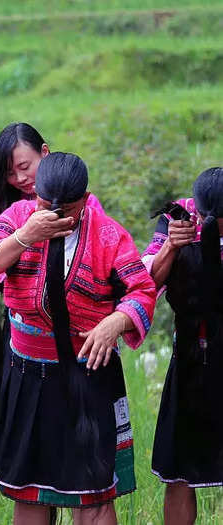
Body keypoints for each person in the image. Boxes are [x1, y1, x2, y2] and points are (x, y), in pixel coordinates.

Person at [0, 152, 156, 524]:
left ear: (86, 198)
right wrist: (25, 237)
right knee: (30, 493)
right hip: (27, 374)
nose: (55, 214)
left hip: (87, 375)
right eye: (44, 204)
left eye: (67, 209)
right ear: (35, 195)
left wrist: (115, 322)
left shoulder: (108, 235)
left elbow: (141, 290)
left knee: (93, 497)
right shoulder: (17, 219)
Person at [143, 167, 223, 525]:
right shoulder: (176, 219)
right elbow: (146, 284)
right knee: (179, 472)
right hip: (189, 357)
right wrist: (173, 245)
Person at [0, 122, 103, 259]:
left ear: (44, 152)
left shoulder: (85, 203)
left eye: (24, 167)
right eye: (10, 173)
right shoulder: (7, 211)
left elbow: (102, 246)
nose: (20, 178)